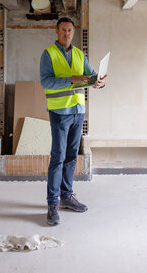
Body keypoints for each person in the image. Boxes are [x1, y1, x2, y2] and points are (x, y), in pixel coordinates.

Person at [40, 17, 106, 226]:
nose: (66, 34)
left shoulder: (79, 54)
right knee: (58, 158)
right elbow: (46, 81)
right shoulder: (48, 54)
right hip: (60, 112)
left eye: (70, 30)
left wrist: (99, 82)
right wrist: (71, 79)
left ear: (73, 32)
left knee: (71, 157)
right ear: (56, 31)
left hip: (78, 112)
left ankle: (66, 196)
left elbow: (91, 75)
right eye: (63, 30)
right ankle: (53, 203)